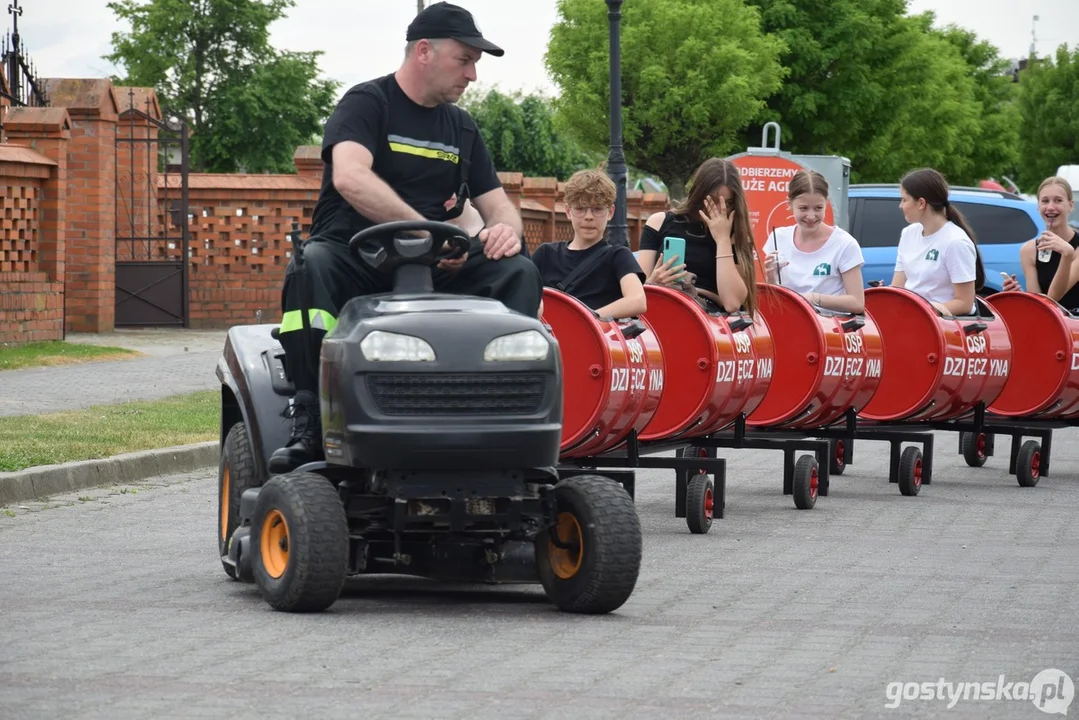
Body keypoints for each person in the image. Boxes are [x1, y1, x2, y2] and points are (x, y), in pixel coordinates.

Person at [270, 2, 543, 473]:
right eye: (465, 60)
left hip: (436, 268)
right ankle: (311, 418)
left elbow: (498, 206)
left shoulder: (461, 127)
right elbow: (350, 178)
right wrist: (426, 231)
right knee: (310, 265)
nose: (473, 75)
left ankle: (500, 415)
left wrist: (505, 231)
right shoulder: (366, 103)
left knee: (517, 270)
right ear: (424, 51)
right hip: (356, 263)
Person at [636, 157, 758, 316]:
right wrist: (653, 283)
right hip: (662, 308)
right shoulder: (660, 222)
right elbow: (637, 291)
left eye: (728, 203)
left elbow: (732, 302)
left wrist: (723, 240)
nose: (719, 209)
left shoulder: (737, 233)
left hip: (709, 318)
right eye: (712, 201)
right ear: (699, 195)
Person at [531, 169, 646, 319]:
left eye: (597, 209)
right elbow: (522, 296)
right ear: (568, 211)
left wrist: (585, 319)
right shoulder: (545, 254)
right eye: (580, 209)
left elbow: (637, 301)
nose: (588, 217)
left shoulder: (618, 256)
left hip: (594, 339)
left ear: (610, 212)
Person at [763, 170, 866, 313]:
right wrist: (771, 278)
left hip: (831, 329)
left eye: (818, 208)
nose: (811, 216)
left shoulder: (844, 244)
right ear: (789, 204)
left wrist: (813, 298)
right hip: (788, 321)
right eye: (803, 208)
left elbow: (857, 302)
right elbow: (772, 298)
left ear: (826, 203)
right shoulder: (778, 238)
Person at [890, 167, 985, 316]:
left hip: (945, 328)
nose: (900, 206)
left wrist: (924, 312)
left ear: (921, 203)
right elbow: (897, 288)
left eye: (904, 199)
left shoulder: (956, 242)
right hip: (911, 322)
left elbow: (964, 303)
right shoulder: (908, 233)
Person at [1001, 177, 1079, 308]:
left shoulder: (1073, 249)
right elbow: (1039, 305)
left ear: (1070, 206)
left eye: (1058, 201)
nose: (1050, 207)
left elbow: (1054, 297)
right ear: (1038, 206)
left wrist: (1067, 254)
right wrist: (1019, 295)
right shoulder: (1029, 250)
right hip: (1049, 323)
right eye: (1045, 201)